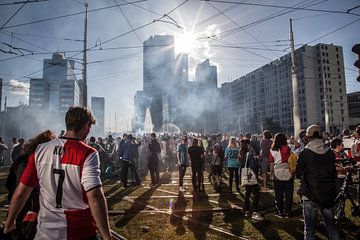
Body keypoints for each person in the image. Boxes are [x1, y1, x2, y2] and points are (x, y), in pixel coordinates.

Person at [4, 106, 111, 240]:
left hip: (46, 232)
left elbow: (21, 193)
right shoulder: (88, 153)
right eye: (89, 127)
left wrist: (9, 222)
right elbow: (95, 197)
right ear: (86, 126)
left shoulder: (40, 150)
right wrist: (107, 236)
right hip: (79, 230)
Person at [5, 130, 56, 240]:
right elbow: (21, 191)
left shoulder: (24, 157)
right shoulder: (29, 160)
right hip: (26, 206)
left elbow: (9, 184)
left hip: (23, 204)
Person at [296, 124, 340, 240]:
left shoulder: (305, 153)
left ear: (308, 138)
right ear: (321, 136)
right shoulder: (330, 152)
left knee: (309, 230)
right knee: (331, 227)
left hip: (310, 195)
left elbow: (298, 173)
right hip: (328, 195)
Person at [269, 133, 297, 218]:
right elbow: (298, 145)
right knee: (289, 193)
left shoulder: (272, 150)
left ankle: (280, 211)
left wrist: (271, 173)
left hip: (277, 171)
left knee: (278, 193)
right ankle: (288, 212)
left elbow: (271, 163)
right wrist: (291, 138)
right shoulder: (288, 147)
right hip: (288, 170)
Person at [239, 138, 263, 220]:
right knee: (256, 194)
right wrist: (256, 159)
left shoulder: (241, 152)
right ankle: (255, 212)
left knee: (247, 193)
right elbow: (253, 165)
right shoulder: (249, 153)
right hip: (251, 175)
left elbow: (241, 164)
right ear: (248, 144)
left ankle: (246, 210)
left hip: (245, 175)